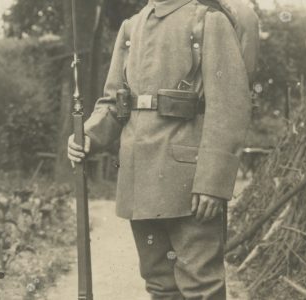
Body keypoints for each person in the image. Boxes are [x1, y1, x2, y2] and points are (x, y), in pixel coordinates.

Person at [68, 0, 258, 298]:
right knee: (159, 283)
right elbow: (114, 102)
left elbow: (230, 106)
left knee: (201, 285)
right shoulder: (131, 27)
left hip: (189, 182)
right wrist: (89, 136)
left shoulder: (208, 21)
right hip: (138, 176)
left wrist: (212, 182)